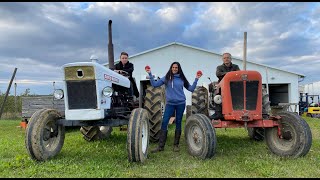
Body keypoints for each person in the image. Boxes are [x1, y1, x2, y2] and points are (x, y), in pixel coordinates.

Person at [145, 62, 202, 153]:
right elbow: (155, 85)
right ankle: (160, 146)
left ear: (179, 69)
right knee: (164, 122)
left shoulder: (182, 79)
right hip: (170, 104)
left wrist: (196, 79)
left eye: (176, 67)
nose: (175, 69)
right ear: (171, 68)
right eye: (173, 67)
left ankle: (176, 145)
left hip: (181, 103)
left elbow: (191, 89)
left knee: (178, 122)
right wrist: (150, 73)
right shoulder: (166, 78)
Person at [210, 52, 240, 120]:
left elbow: (238, 74)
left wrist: (228, 74)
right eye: (224, 58)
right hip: (222, 85)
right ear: (222, 59)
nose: (226, 59)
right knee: (217, 95)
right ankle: (218, 113)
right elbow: (218, 74)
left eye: (228, 58)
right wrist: (231, 74)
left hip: (234, 85)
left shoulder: (236, 66)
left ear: (231, 59)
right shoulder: (219, 67)